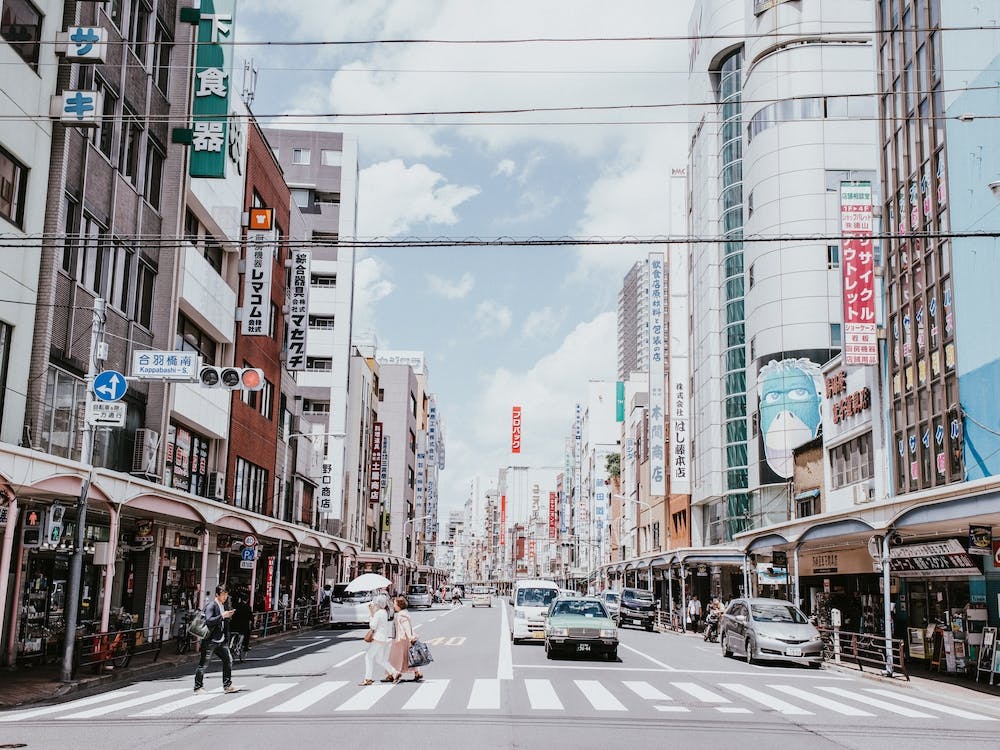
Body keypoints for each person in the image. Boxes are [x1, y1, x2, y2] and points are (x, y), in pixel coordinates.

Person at [194, 584, 237, 694]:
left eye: (226, 595)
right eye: (223, 595)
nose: (225, 597)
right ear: (217, 595)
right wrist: (223, 616)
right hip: (210, 641)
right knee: (203, 664)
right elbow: (209, 621)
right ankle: (198, 687)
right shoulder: (212, 605)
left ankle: (227, 685)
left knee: (228, 660)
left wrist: (227, 617)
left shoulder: (223, 606)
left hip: (220, 640)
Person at [360, 594, 400, 686]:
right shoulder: (384, 612)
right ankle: (394, 672)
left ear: (378, 604)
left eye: (375, 603)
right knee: (379, 659)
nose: (374, 604)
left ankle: (368, 678)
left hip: (377, 638)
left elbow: (373, 626)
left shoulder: (378, 613)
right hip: (383, 638)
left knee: (368, 657)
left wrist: (371, 614)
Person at [389, 596, 423, 682]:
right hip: (401, 639)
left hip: (402, 640)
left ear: (399, 605)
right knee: (408, 656)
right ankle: (417, 672)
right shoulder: (401, 614)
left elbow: (407, 627)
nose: (394, 605)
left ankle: (393, 673)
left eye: (395, 604)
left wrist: (411, 637)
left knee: (398, 657)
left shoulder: (402, 615)